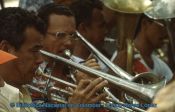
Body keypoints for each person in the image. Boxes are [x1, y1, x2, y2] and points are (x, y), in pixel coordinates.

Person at [114, 14, 173, 83]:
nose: (167, 33)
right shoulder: (123, 57)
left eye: (169, 27)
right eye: (163, 25)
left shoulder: (160, 65)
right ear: (144, 23)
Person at [69, 0, 109, 73]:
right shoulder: (70, 67)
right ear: (83, 29)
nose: (106, 31)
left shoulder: (105, 57)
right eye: (101, 26)